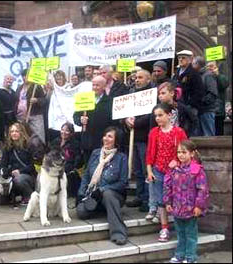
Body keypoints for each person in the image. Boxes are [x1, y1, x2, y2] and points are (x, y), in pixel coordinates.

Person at [77, 126, 128, 245]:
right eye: (105, 135)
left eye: (110, 136)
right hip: (93, 195)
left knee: (108, 194)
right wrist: (81, 193)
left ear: (116, 140)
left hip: (113, 195)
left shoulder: (121, 158)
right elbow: (86, 176)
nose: (105, 138)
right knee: (81, 211)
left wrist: (102, 189)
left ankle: (118, 233)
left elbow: (123, 182)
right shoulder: (95, 153)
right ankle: (107, 210)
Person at [146, 103, 188, 242]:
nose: (157, 118)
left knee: (176, 199)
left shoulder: (179, 132)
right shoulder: (154, 132)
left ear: (169, 115)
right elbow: (150, 152)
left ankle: (179, 226)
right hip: (158, 170)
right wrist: (149, 170)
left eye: (160, 115)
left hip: (175, 172)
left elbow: (186, 151)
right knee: (160, 200)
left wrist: (177, 160)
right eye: (156, 116)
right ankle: (164, 227)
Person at [164, 140, 209, 263]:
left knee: (190, 234)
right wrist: (168, 202)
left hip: (191, 208)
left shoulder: (197, 170)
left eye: (184, 152)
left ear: (192, 153)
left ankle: (190, 257)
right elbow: (168, 185)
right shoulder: (175, 169)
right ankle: (179, 255)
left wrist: (199, 206)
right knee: (180, 233)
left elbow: (202, 189)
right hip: (177, 207)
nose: (180, 155)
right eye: (178, 152)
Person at [124, 70, 154, 213]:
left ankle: (148, 199)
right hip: (133, 137)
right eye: (136, 77)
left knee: (145, 168)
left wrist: (136, 123)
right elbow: (124, 111)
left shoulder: (151, 95)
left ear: (148, 80)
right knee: (137, 170)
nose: (137, 80)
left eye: (140, 77)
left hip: (145, 138)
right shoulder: (131, 94)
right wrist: (126, 120)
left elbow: (151, 116)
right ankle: (140, 196)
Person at [73, 76, 114, 164]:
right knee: (88, 166)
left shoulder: (110, 101)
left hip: (102, 141)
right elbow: (75, 116)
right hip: (87, 140)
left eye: (97, 85)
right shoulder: (85, 99)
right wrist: (80, 120)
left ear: (104, 86)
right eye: (93, 85)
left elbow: (113, 122)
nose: (94, 87)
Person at [0, 122, 37, 205]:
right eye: (12, 131)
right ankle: (13, 196)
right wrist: (3, 172)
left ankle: (28, 196)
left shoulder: (29, 145)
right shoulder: (7, 147)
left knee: (19, 179)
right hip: (11, 176)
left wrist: (20, 171)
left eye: (16, 131)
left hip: (27, 176)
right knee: (1, 201)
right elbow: (2, 164)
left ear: (21, 132)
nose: (14, 133)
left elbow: (33, 166)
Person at [172, 50, 205, 136]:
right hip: (178, 105)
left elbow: (199, 91)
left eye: (183, 58)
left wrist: (190, 104)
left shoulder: (194, 73)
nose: (180, 60)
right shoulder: (176, 73)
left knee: (190, 128)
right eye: (179, 58)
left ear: (190, 60)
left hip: (189, 105)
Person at [51, 122, 83, 198]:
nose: (64, 132)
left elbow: (77, 160)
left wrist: (74, 167)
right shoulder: (56, 141)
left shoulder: (75, 144)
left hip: (68, 167)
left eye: (67, 130)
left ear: (71, 133)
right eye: (62, 130)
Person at [16, 69, 48, 144]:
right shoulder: (19, 88)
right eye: (24, 76)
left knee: (37, 136)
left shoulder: (36, 87)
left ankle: (38, 152)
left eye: (27, 76)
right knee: (24, 136)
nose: (25, 78)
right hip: (21, 117)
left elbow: (44, 100)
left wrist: (37, 100)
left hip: (35, 116)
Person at [192, 56, 218, 136]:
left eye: (193, 64)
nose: (191, 66)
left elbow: (213, 93)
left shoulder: (208, 75)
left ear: (198, 64)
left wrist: (202, 101)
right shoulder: (197, 75)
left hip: (207, 110)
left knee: (208, 135)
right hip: (199, 110)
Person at [206, 61, 230, 135]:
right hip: (208, 109)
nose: (210, 68)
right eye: (208, 66)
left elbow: (224, 84)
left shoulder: (221, 77)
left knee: (218, 131)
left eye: (212, 66)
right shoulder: (205, 77)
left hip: (218, 110)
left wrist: (217, 75)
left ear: (216, 68)